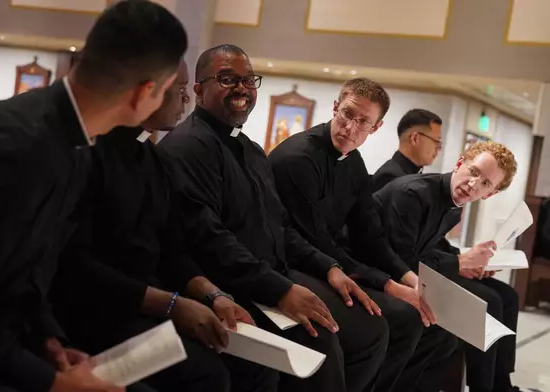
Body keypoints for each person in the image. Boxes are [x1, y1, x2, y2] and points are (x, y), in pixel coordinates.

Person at [0, 2, 187, 391]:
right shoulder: (9, 148)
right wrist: (53, 384)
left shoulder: (73, 141)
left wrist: (48, 343)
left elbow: (24, 276)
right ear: (146, 93)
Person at [158, 44, 389, 392]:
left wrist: (329, 268)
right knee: (321, 343)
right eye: (226, 79)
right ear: (198, 89)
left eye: (248, 80)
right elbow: (210, 239)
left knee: (372, 329)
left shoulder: (250, 149)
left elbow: (281, 226)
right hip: (232, 285)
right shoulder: (188, 147)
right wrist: (281, 290)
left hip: (273, 273)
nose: (240, 88)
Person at [51, 60, 278, 392]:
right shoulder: (89, 152)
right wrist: (171, 304)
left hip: (149, 304)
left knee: (256, 363)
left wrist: (215, 296)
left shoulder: (152, 157)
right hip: (97, 312)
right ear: (149, 89)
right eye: (182, 88)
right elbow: (75, 266)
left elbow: (174, 249)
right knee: (206, 375)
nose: (186, 100)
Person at [268, 78, 457, 392]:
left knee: (420, 318)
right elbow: (314, 241)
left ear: (376, 127)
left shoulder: (353, 161)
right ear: (334, 108)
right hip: (293, 261)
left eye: (363, 122)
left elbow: (369, 233)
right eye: (346, 114)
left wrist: (407, 277)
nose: (350, 128)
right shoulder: (298, 159)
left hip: (329, 261)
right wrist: (385, 284)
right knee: (380, 324)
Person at [373, 141, 522, 392]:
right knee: (451, 321)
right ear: (460, 163)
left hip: (407, 270)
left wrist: (468, 262)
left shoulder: (454, 207)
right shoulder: (412, 194)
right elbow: (399, 261)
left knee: (505, 296)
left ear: (490, 194)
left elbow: (430, 244)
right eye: (474, 172)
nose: (473, 184)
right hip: (375, 271)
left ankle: (498, 385)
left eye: (485, 183)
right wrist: (460, 262)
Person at [371, 108, 443, 192]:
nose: (439, 148)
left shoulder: (411, 175)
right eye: (437, 141)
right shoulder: (390, 177)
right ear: (415, 138)